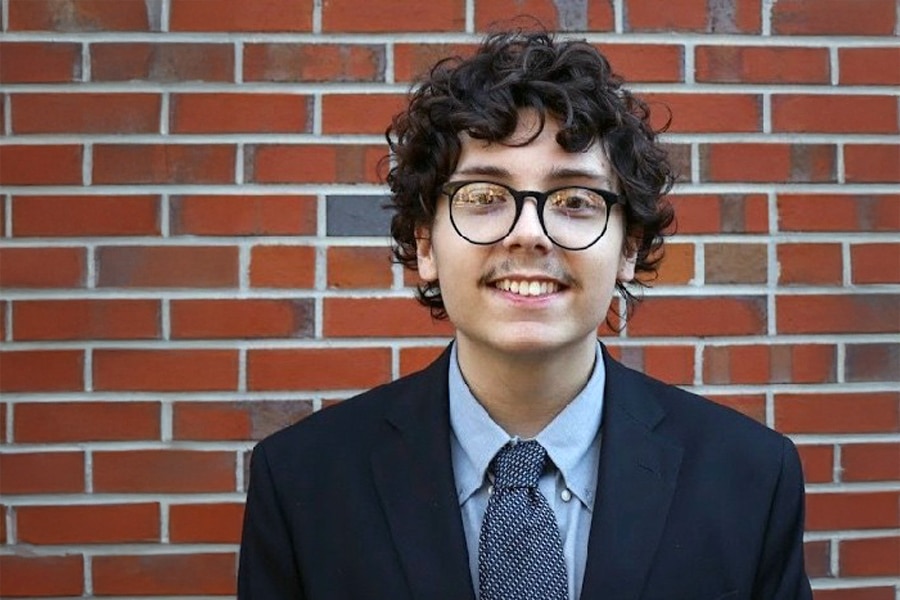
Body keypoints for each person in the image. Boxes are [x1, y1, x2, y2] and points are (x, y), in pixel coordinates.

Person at [238, 29, 813, 600]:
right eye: (484, 197)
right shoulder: (301, 483)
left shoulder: (750, 478)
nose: (529, 232)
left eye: (575, 201)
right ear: (427, 245)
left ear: (629, 249)